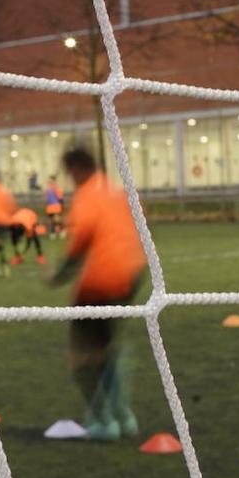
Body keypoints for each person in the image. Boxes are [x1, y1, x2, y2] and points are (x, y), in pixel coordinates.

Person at [50, 148, 146, 441]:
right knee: (106, 347)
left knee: (81, 357)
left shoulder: (86, 195)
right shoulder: (114, 191)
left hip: (101, 281)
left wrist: (61, 274)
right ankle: (124, 417)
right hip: (131, 275)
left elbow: (81, 241)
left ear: (77, 169)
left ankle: (104, 422)